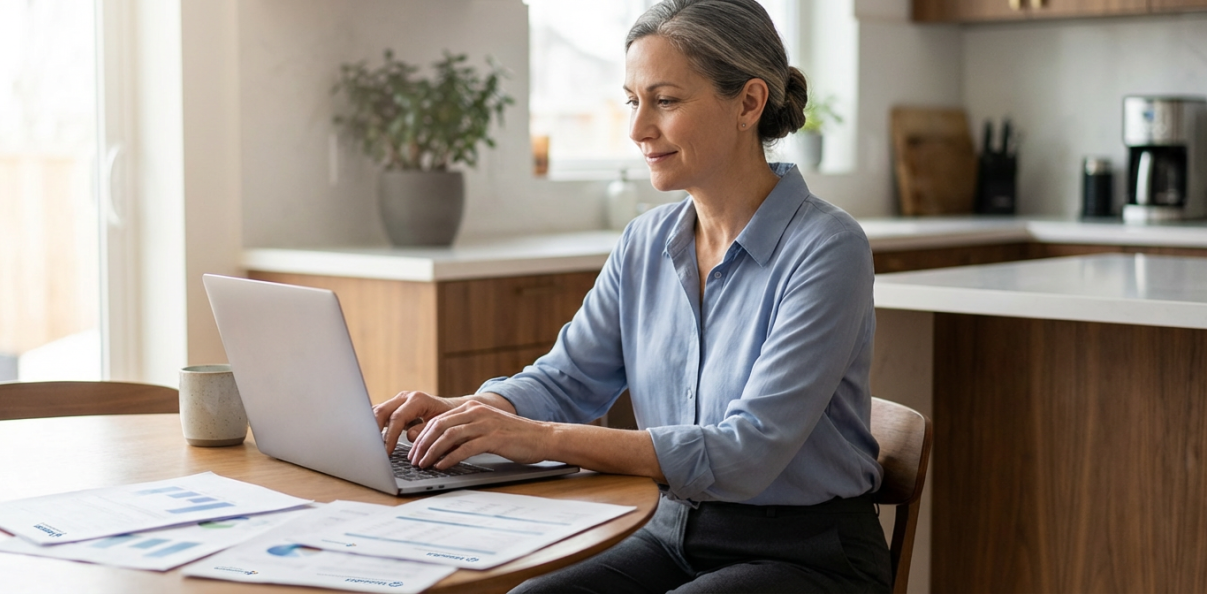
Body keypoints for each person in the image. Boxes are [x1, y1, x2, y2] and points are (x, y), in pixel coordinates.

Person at [373, 0, 891, 591]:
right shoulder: (646, 242)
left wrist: (538, 440)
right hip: (668, 531)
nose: (638, 128)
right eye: (632, 100)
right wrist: (475, 413)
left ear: (749, 102)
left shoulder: (827, 247)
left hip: (808, 555)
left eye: (665, 101)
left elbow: (746, 454)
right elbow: (567, 381)